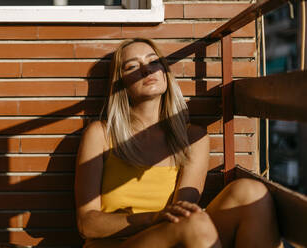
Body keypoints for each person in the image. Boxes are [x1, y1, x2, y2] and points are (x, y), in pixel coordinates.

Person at [75, 38, 282, 248]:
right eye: (132, 66)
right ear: (121, 85)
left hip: (173, 237)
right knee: (192, 223)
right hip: (116, 245)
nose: (147, 70)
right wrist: (153, 218)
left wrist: (165, 222)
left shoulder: (192, 138)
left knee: (251, 193)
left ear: (165, 73)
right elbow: (87, 224)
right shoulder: (101, 134)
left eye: (153, 62)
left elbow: (184, 210)